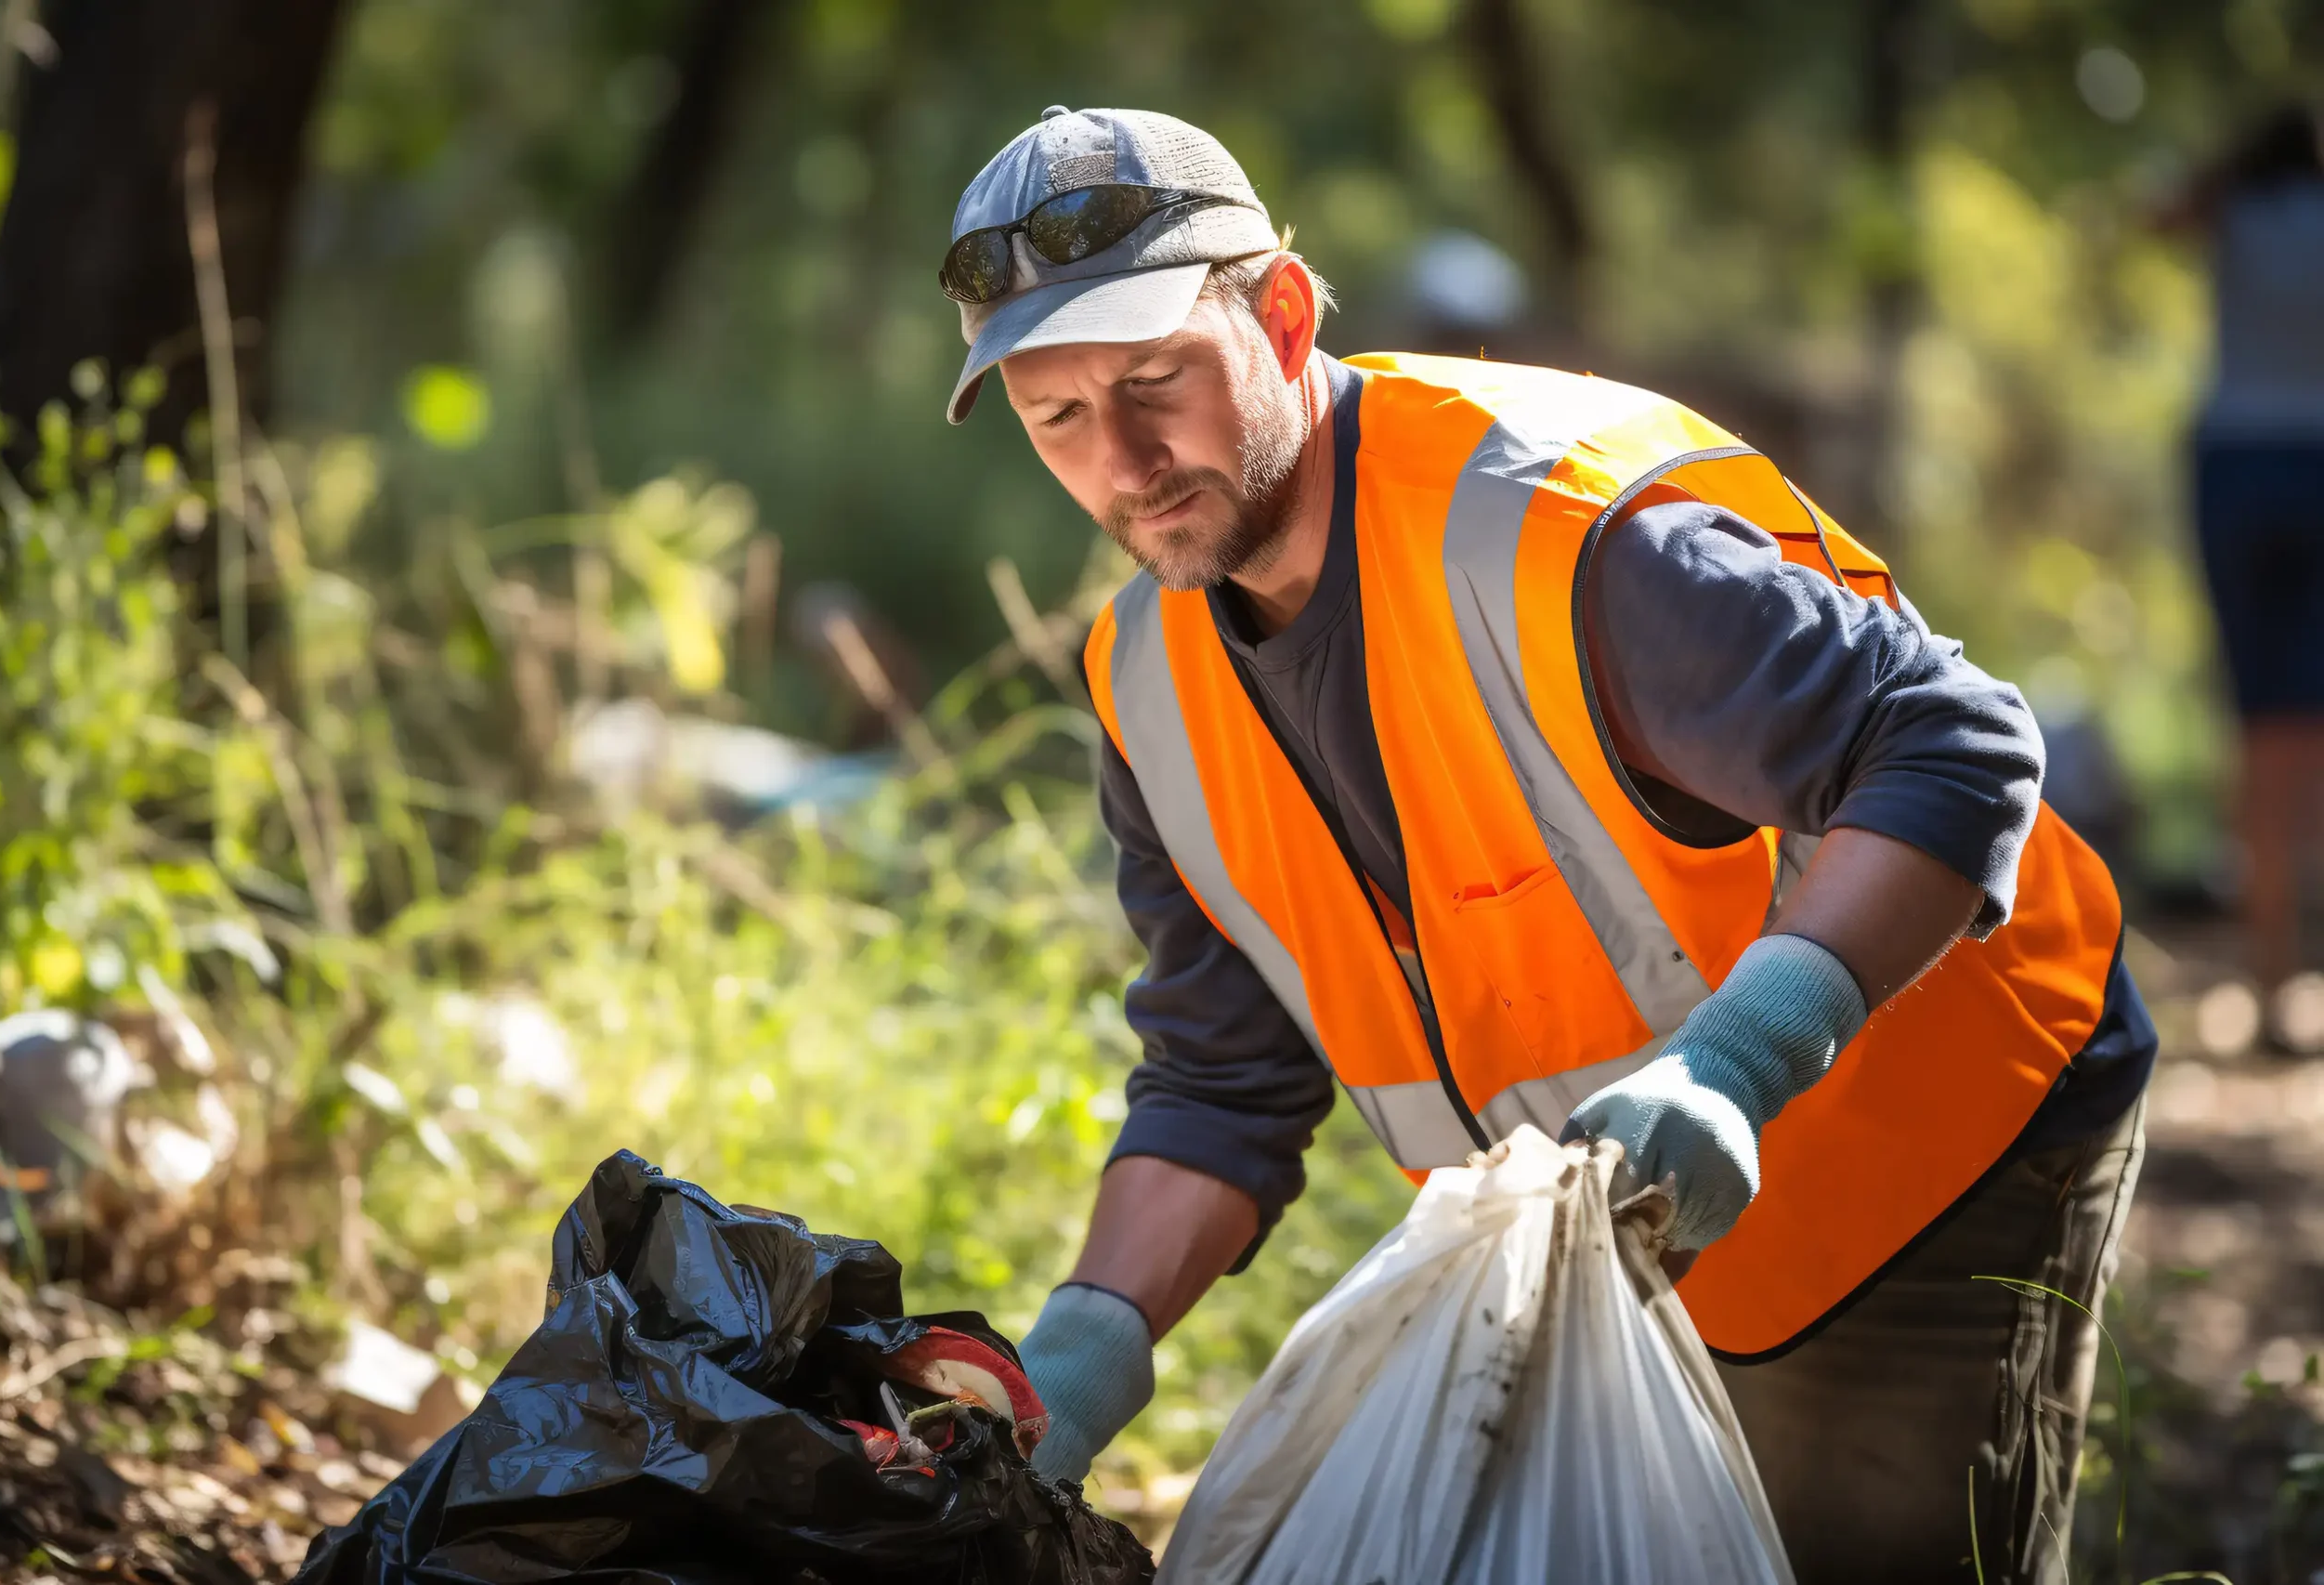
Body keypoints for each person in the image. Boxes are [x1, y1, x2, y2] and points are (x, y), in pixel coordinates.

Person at [941, 107, 2155, 1583]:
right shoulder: (1148, 685)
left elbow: (1950, 742)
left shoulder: (1547, 531)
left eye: (1153, 380)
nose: (1124, 459)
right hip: (1610, 1237)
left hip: (1938, 1129)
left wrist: (1736, 1063)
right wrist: (1089, 1344)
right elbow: (1221, 1077)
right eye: (1057, 417)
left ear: (1280, 312)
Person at [2168, 103, 2324, 1047]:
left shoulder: (2230, 210)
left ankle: (2268, 979)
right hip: (2315, 462)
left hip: (2235, 467)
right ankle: (2286, 975)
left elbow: (2157, 211)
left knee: (2256, 727)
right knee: (2303, 731)